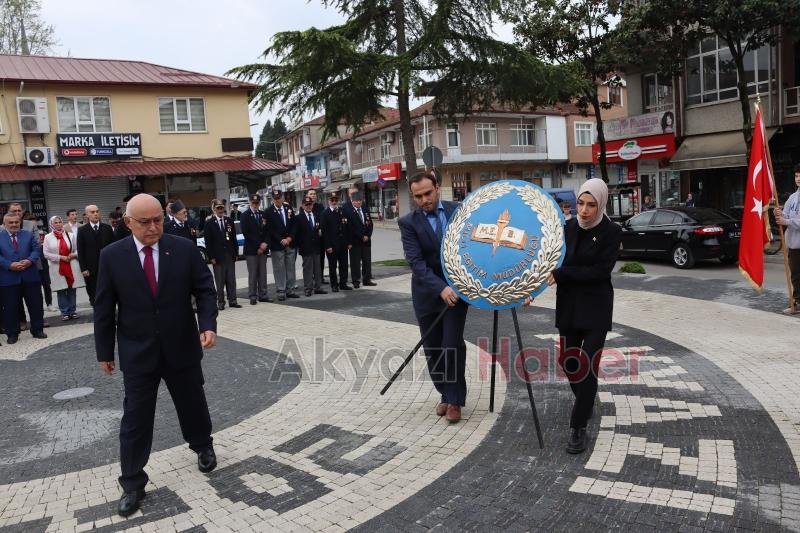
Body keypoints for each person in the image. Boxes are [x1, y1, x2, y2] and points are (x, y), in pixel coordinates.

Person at [94, 193, 218, 518]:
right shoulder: (112, 256)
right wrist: (104, 351)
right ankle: (132, 482)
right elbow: (104, 307)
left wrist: (207, 324)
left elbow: (205, 290)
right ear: (128, 222)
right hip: (138, 351)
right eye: (145, 222)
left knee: (192, 402)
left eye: (158, 220)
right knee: (135, 418)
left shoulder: (184, 249)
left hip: (181, 345)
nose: (153, 227)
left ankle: (203, 445)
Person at [531, 178, 621, 454]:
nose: (583, 210)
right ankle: (586, 398)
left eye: (591, 205)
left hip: (596, 307)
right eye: (580, 203)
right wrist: (530, 288)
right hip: (569, 306)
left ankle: (578, 427)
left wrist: (563, 274)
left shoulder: (611, 232)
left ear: (601, 205)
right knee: (569, 362)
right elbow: (549, 262)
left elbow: (600, 271)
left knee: (587, 365)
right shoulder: (567, 228)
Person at [398, 171, 467, 423]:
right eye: (418, 196)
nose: (424, 200)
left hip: (456, 292)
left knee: (452, 345)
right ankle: (445, 393)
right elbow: (416, 263)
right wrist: (440, 288)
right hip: (427, 294)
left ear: (437, 188)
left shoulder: (458, 211)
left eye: (428, 193)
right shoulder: (408, 223)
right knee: (433, 349)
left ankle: (455, 400)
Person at [0, 212, 47, 344]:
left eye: (16, 222)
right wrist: (9, 265)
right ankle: (12, 333)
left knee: (36, 305)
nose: (14, 224)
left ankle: (37, 330)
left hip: (30, 276)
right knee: (10, 307)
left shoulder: (28, 234)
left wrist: (29, 261)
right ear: (4, 224)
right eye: (11, 222)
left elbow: (36, 250)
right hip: (8, 278)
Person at [43, 216, 84, 321]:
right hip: (57, 266)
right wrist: (60, 257)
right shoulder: (48, 237)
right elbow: (46, 253)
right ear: (51, 224)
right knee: (61, 290)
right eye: (55, 223)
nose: (58, 224)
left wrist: (73, 255)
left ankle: (72, 311)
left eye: (59, 222)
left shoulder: (70, 235)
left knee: (72, 289)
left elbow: (77, 249)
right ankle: (65, 312)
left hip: (71, 264)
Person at [203, 199, 241, 310]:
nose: (220, 210)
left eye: (222, 208)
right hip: (217, 257)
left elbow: (233, 238)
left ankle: (233, 300)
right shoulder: (209, 223)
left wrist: (236, 253)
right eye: (218, 208)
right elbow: (208, 242)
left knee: (231, 280)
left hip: (229, 255)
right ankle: (220, 302)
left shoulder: (229, 221)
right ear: (214, 209)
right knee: (220, 281)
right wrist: (211, 257)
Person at [265, 190, 299, 301]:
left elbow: (294, 224)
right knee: (279, 268)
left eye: (279, 198)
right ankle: (281, 290)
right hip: (277, 244)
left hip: (290, 243)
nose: (277, 200)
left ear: (282, 198)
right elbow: (269, 229)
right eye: (275, 198)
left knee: (290, 267)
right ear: (272, 199)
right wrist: (281, 239)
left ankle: (290, 289)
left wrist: (290, 237)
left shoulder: (288, 208)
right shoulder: (268, 211)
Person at [77, 204, 114, 306]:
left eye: (97, 211)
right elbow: (80, 251)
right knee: (93, 292)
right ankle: (97, 310)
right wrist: (83, 268)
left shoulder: (107, 228)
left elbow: (113, 247)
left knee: (108, 291)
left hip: (107, 267)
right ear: (87, 215)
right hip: (91, 269)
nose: (96, 214)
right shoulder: (82, 230)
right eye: (92, 212)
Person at [775, 164, 800, 315]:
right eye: (796, 176)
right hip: (794, 244)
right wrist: (779, 214)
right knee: (796, 275)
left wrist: (787, 221)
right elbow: (786, 215)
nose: (798, 179)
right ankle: (797, 302)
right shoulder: (792, 197)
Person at [240, 194, 273, 304]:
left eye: (257, 203)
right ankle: (252, 296)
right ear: (250, 202)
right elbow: (246, 233)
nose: (255, 205)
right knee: (253, 274)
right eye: (253, 203)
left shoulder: (263, 214)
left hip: (263, 249)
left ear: (259, 203)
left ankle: (263, 295)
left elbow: (268, 231)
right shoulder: (245, 215)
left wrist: (265, 244)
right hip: (251, 250)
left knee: (263, 274)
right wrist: (259, 245)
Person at [294, 196, 327, 297]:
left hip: (316, 246)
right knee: (308, 269)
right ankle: (308, 288)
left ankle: (318, 287)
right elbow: (296, 234)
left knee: (317, 268)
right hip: (306, 247)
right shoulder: (298, 218)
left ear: (313, 205)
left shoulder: (316, 216)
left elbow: (319, 230)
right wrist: (300, 246)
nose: (308, 206)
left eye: (310, 204)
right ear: (302, 205)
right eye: (306, 204)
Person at [321, 193, 352, 292]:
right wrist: (327, 246)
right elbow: (324, 232)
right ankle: (334, 285)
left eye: (336, 200)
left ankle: (343, 283)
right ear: (328, 201)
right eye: (332, 200)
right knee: (332, 266)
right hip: (332, 245)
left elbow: (347, 228)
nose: (334, 202)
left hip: (343, 244)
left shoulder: (342, 211)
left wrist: (348, 242)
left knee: (344, 265)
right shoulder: (325, 213)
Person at [346, 191, 376, 288]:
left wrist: (368, 235)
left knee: (367, 261)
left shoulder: (365, 209)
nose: (359, 202)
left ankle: (367, 279)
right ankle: (356, 281)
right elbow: (351, 227)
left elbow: (370, 223)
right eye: (356, 201)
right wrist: (361, 236)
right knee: (355, 262)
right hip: (355, 241)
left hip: (366, 241)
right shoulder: (349, 211)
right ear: (352, 201)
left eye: (360, 200)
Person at [306, 189, 327, 284]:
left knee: (321, 258)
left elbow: (323, 219)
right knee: (310, 260)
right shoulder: (304, 206)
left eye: (314, 194)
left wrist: (321, 229)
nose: (313, 195)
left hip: (320, 237)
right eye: (311, 194)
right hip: (309, 238)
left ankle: (320, 277)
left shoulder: (320, 206)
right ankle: (311, 278)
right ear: (307, 196)